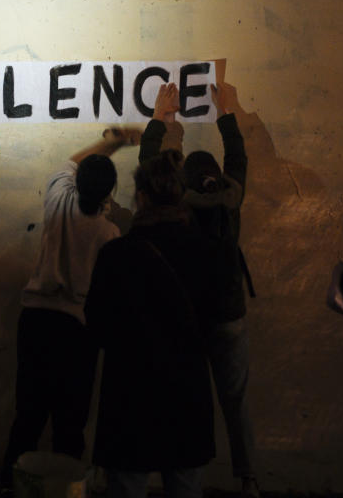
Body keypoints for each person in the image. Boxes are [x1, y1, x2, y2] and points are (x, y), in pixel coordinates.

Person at [1, 127, 141, 480]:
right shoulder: (108, 234)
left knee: (28, 417)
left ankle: (10, 485)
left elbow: (70, 162)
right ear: (108, 194)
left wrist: (112, 143)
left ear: (77, 183)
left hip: (35, 320)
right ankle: (66, 489)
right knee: (70, 424)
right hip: (76, 330)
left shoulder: (57, 198)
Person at [143, 83, 259, 497]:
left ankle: (179, 474)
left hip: (189, 320)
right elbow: (240, 158)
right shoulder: (232, 200)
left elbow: (148, 168)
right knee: (236, 401)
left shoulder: (179, 207)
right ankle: (249, 481)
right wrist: (225, 111)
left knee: (184, 401)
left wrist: (162, 122)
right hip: (229, 316)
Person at [85, 149, 216, 498]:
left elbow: (96, 326)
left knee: (127, 486)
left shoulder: (117, 255)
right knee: (185, 486)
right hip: (187, 392)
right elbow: (214, 318)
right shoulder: (203, 251)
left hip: (131, 396)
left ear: (141, 197)